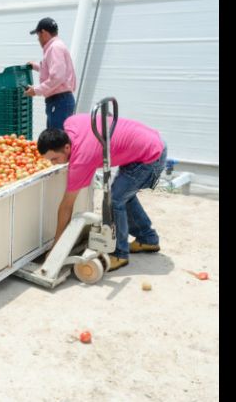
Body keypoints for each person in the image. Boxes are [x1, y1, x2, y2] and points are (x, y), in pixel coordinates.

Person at [36, 114, 167, 271]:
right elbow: (105, 116)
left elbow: (66, 206)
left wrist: (56, 247)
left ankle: (120, 254)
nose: (53, 163)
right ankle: (147, 239)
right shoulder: (71, 123)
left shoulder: (81, 159)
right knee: (124, 195)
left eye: (55, 159)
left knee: (114, 200)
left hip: (151, 156)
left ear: (66, 147)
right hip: (150, 142)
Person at [25, 17, 77, 130]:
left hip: (59, 101)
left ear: (43, 32)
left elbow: (57, 77)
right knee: (59, 139)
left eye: (38, 35)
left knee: (56, 141)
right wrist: (35, 66)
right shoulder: (57, 46)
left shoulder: (54, 48)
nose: (38, 39)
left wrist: (36, 90)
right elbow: (54, 70)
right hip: (61, 100)